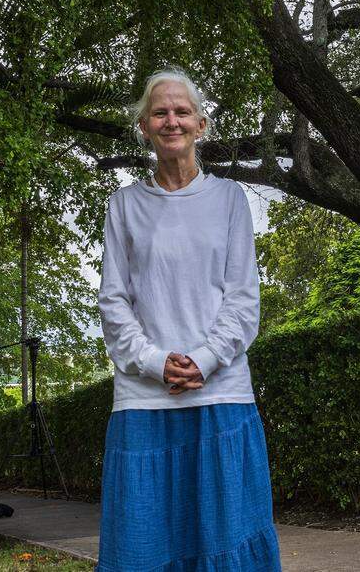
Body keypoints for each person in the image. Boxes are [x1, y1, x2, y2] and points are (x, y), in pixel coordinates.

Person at [96, 67, 281, 571]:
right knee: (142, 544)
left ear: (201, 124)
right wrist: (156, 363)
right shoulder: (124, 206)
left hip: (220, 395)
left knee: (226, 538)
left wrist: (202, 361)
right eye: (160, 112)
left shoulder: (228, 200)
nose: (171, 120)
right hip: (143, 401)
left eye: (182, 111)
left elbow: (243, 301)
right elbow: (114, 303)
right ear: (144, 127)